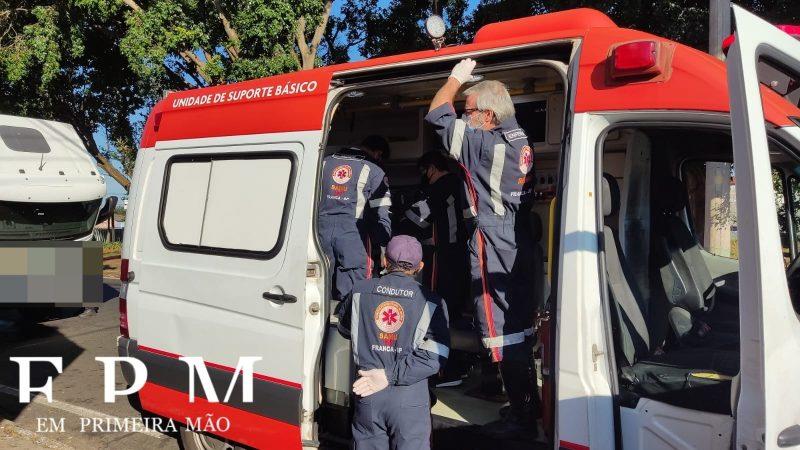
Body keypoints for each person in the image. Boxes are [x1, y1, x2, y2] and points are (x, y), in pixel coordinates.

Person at [425, 58, 540, 437]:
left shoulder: (482, 145)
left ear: (487, 115)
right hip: (519, 235)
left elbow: (436, 115)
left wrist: (455, 78)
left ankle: (522, 418)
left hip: (493, 236)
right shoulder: (519, 136)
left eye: (469, 111)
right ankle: (528, 403)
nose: (463, 115)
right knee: (520, 323)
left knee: (499, 326)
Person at [337, 235, 450, 450]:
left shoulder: (359, 291)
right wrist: (390, 375)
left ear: (383, 261)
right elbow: (435, 357)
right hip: (409, 397)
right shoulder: (432, 302)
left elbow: (344, 328)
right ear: (420, 266)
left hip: (367, 391)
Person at [403, 151, 471, 387]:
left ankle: (445, 371)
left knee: (436, 311)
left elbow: (414, 218)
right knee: (457, 311)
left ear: (432, 168)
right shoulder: (463, 185)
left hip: (443, 259)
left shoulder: (437, 189)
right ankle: (461, 367)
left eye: (424, 172)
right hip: (464, 257)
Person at [318, 136, 392, 301]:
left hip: (318, 235)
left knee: (318, 287)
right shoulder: (375, 171)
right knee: (354, 295)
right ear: (378, 154)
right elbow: (381, 214)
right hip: (354, 237)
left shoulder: (323, 163)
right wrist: (383, 247)